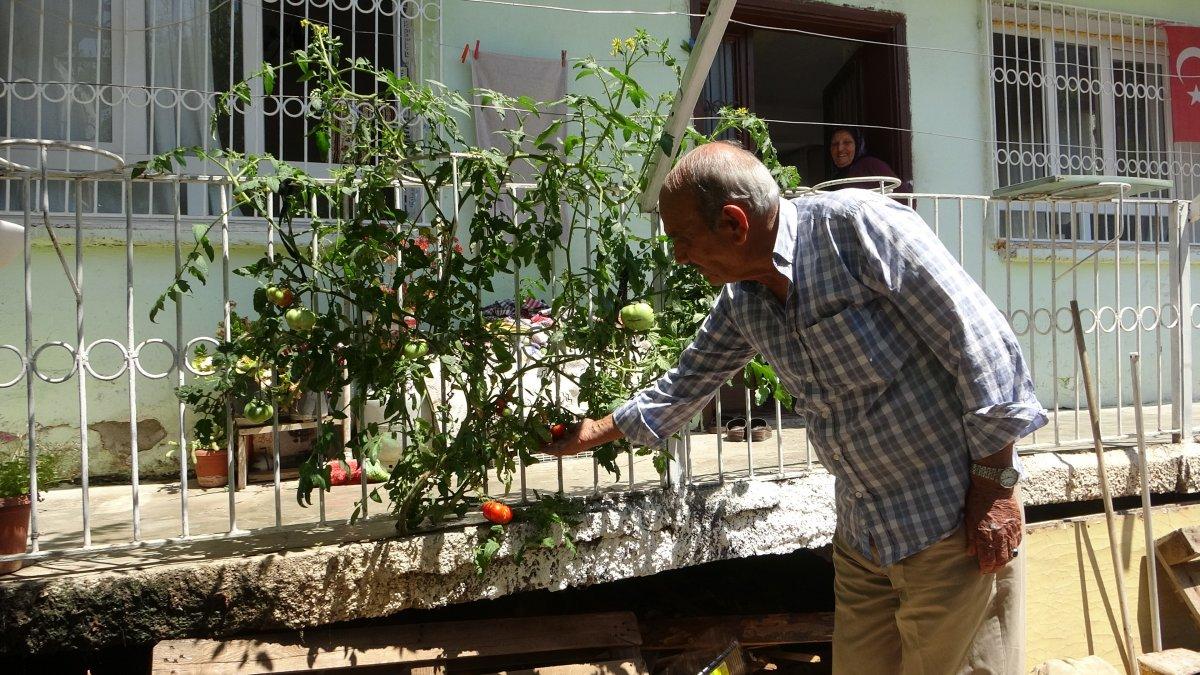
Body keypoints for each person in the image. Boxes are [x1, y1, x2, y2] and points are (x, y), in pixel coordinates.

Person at [545, 142, 1045, 674]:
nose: (680, 256)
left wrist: (995, 487)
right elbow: (686, 383)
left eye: (683, 239)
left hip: (952, 526)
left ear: (734, 224)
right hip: (865, 536)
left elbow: (979, 342)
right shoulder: (744, 299)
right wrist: (591, 432)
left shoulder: (858, 228)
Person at [828, 125, 909, 192]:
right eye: (835, 144)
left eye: (847, 143)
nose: (840, 149)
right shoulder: (835, 180)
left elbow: (904, 197)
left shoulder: (871, 165)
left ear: (858, 145)